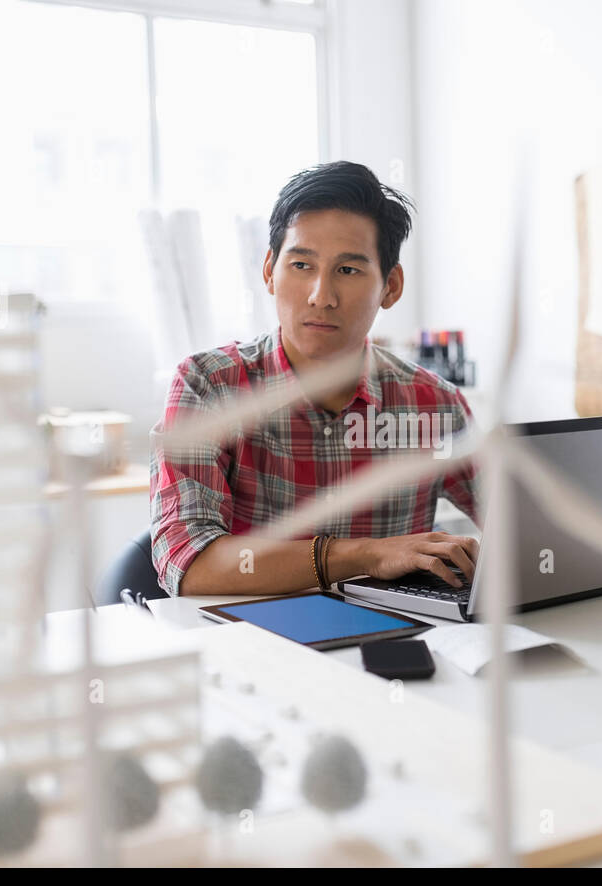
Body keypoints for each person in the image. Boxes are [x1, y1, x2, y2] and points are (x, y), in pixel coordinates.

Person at [150, 161, 480, 597]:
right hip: (253, 641)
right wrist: (364, 556)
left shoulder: (433, 403)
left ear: (391, 287)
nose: (321, 297)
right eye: (302, 264)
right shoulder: (209, 387)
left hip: (392, 648)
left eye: (348, 270)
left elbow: (531, 532)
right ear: (269, 270)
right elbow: (188, 562)